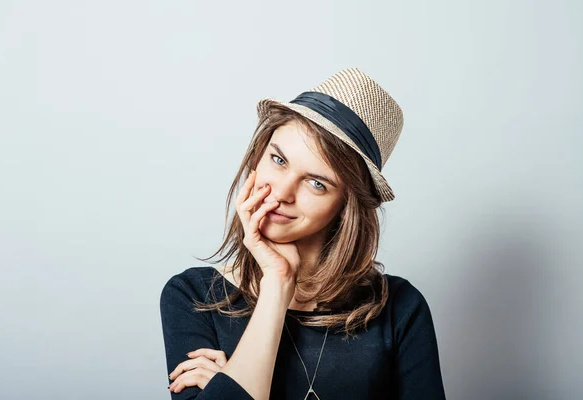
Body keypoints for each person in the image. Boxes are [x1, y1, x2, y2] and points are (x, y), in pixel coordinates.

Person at [160, 67, 446, 399]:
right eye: (278, 159)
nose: (281, 192)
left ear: (346, 204)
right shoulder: (193, 297)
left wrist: (228, 386)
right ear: (258, 157)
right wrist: (278, 284)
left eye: (316, 183)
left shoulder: (399, 309)